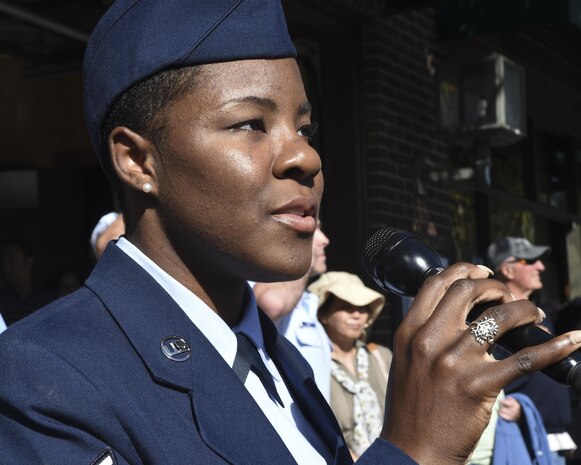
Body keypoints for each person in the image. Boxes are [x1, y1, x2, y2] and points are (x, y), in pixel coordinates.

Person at [0, 2, 580, 465]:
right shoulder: (43, 379)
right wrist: (415, 453)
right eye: (250, 124)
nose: (304, 155)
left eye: (305, 126)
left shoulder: (275, 360)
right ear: (137, 161)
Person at [487, 237, 576, 465]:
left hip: (552, 438)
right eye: (531, 261)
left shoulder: (542, 316)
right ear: (507, 268)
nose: (541, 267)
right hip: (519, 440)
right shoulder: (492, 320)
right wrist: (514, 406)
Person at [309, 271, 390, 459]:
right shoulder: (313, 365)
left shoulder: (380, 356)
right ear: (323, 314)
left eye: (363, 308)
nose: (357, 315)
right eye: (346, 307)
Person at [253, 223, 332, 400]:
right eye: (313, 231)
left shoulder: (304, 299)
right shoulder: (273, 289)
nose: (325, 240)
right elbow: (272, 303)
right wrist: (301, 259)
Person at [0, 238, 51, 325]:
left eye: (12, 260)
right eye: (2, 262)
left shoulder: (47, 301)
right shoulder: (2, 303)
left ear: (29, 262)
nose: (6, 267)